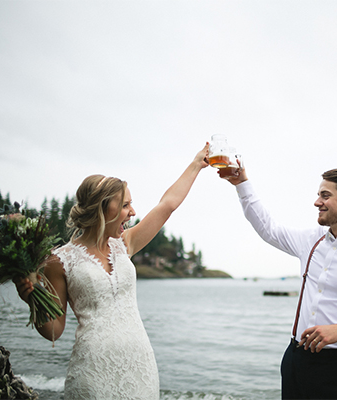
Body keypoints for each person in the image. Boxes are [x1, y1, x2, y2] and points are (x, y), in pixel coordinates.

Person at [16, 145, 210, 399]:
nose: (133, 212)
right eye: (125, 205)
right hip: (93, 372)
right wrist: (31, 297)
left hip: (140, 367)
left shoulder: (125, 244)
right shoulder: (58, 261)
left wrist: (196, 163)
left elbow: (167, 205)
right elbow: (54, 330)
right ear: (102, 208)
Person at [218, 164, 337, 399]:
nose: (317, 202)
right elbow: (268, 228)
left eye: (325, 196)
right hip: (294, 359)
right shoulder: (311, 240)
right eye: (319, 195)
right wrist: (242, 184)